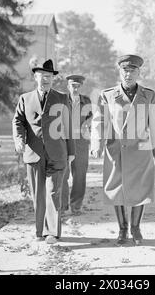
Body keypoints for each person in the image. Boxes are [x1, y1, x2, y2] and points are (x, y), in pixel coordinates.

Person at [91, 54, 155, 246]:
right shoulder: (107, 95)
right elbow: (99, 120)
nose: (128, 74)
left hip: (140, 150)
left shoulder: (148, 95)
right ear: (120, 72)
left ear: (139, 73)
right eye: (125, 70)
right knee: (117, 191)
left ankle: (136, 228)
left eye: (132, 71)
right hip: (117, 150)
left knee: (140, 190)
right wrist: (97, 144)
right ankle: (122, 229)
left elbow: (154, 124)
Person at [12, 58, 75, 244]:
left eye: (49, 76)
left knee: (53, 192)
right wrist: (19, 140)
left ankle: (52, 233)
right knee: (38, 195)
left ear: (53, 78)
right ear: (35, 77)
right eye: (42, 76)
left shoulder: (62, 98)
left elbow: (68, 125)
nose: (45, 80)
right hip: (34, 153)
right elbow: (18, 121)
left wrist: (71, 151)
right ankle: (40, 231)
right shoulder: (25, 98)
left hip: (57, 153)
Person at [62, 74, 93, 215]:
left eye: (78, 86)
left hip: (81, 141)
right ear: (68, 86)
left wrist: (88, 123)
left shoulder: (86, 101)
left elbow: (91, 116)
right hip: (63, 140)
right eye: (72, 85)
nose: (75, 88)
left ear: (81, 87)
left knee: (80, 174)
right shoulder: (61, 100)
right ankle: (62, 206)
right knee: (62, 173)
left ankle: (76, 206)